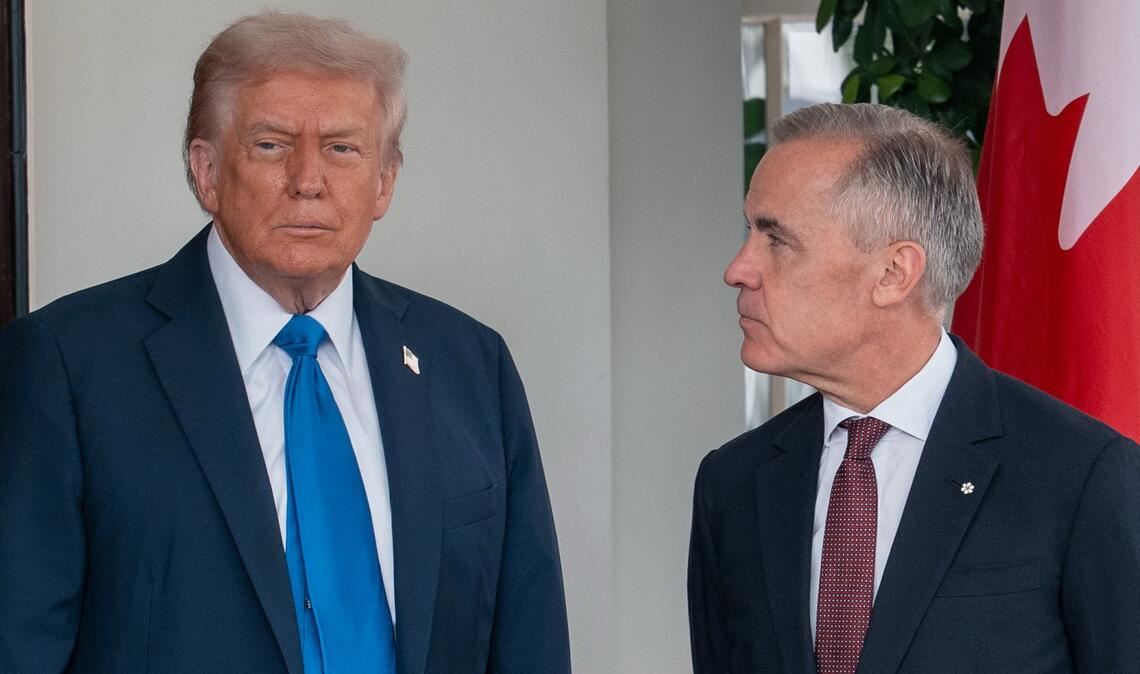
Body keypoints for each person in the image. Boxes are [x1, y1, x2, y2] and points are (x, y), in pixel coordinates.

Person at [0, 11, 569, 673]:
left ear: (385, 181)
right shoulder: (67, 366)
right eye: (271, 145)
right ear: (206, 170)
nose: (308, 179)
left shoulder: (471, 364)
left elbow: (528, 638)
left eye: (342, 148)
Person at [688, 102, 1140, 673]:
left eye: (776, 240)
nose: (738, 268)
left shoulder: (1081, 476)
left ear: (894, 274)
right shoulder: (732, 483)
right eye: (748, 232)